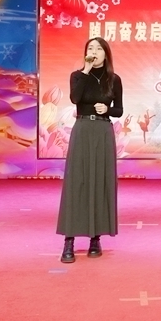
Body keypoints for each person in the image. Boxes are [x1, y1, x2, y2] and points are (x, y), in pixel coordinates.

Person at [56, 37, 123, 263]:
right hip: (83, 129)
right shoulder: (78, 76)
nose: (94, 52)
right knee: (77, 182)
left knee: (100, 181)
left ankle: (96, 239)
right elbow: (75, 98)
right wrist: (85, 70)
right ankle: (69, 241)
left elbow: (119, 110)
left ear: (106, 54)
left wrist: (108, 109)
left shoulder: (114, 79)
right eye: (90, 48)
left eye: (98, 49)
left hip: (103, 131)